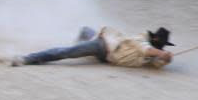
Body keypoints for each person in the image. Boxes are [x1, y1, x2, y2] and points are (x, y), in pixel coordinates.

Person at [11, 26, 175, 69]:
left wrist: (166, 59)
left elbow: (156, 63)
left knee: (85, 39)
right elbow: (145, 50)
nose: (160, 48)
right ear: (154, 39)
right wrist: (162, 53)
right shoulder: (141, 39)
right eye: (160, 44)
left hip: (106, 54)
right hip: (102, 47)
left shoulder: (154, 53)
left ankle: (86, 32)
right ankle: (26, 58)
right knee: (66, 53)